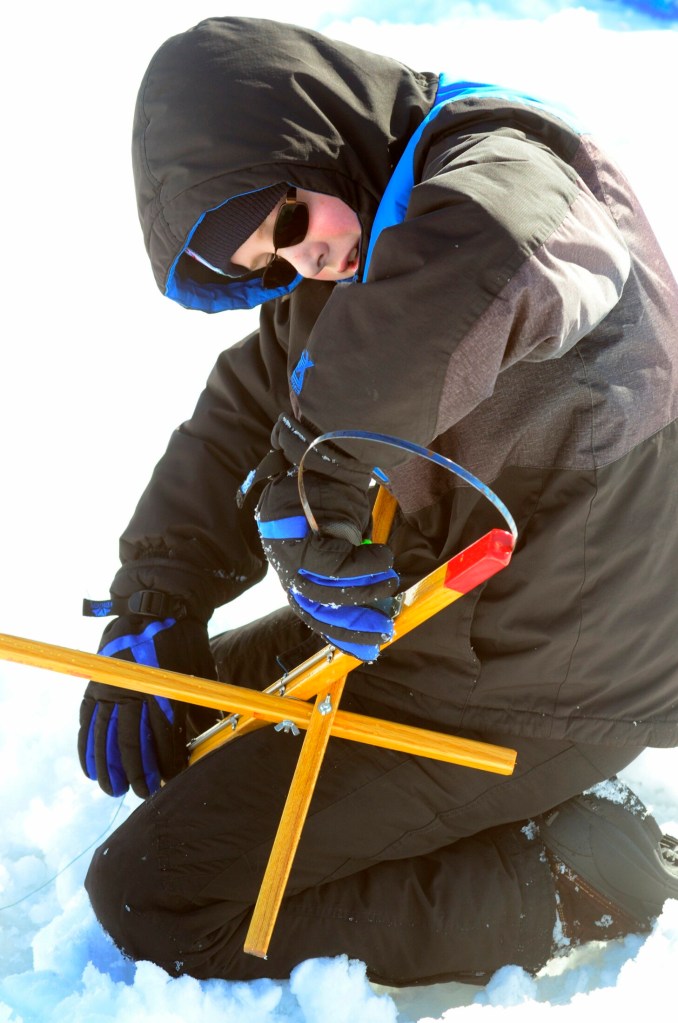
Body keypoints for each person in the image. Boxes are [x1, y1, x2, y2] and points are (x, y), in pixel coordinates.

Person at [79, 16, 678, 985]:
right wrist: (161, 589)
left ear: (311, 139)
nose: (295, 267)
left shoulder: (519, 177)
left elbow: (481, 259)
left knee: (162, 891)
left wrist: (324, 464)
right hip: (446, 618)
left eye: (283, 231)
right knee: (182, 716)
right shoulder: (354, 234)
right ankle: (507, 814)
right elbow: (251, 410)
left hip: (562, 669)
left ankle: (578, 882)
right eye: (264, 270)